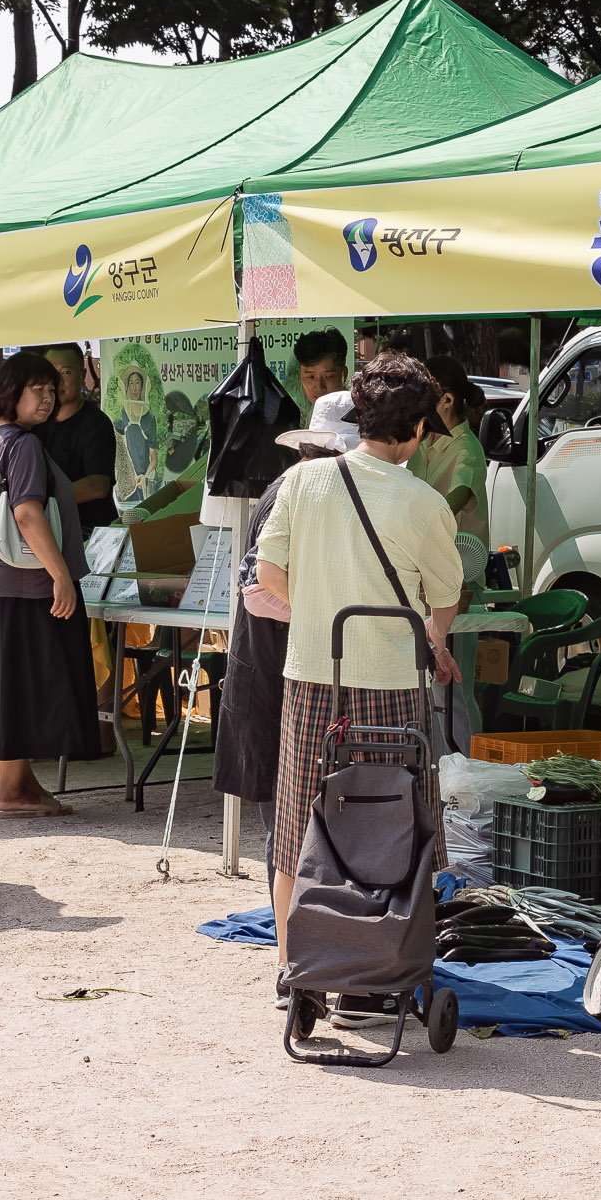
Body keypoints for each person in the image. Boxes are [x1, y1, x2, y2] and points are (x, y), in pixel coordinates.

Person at [256, 354, 462, 993]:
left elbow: (267, 575)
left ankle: (294, 969)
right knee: (390, 819)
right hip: (392, 685)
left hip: (313, 675)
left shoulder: (303, 483)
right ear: (419, 428)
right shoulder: (425, 503)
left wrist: (316, 612)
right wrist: (436, 639)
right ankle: (384, 961)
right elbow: (445, 596)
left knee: (298, 821)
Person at [215, 391, 356, 923]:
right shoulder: (294, 489)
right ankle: (297, 930)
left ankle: (308, 917)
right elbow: (261, 583)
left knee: (299, 791)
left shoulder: (313, 486)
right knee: (290, 795)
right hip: (278, 656)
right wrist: (318, 607)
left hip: (296, 654)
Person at [0, 350, 99, 816]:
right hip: (25, 586)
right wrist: (61, 575)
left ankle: (17, 785)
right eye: (35, 390)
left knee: (8, 686)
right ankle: (14, 789)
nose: (47, 398)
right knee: (32, 685)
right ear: (10, 393)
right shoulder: (22, 445)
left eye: (49, 389)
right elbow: (27, 512)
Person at [37, 344, 118, 536]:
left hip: (90, 535)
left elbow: (98, 485)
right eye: (51, 372)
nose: (58, 381)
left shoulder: (96, 423)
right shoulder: (36, 422)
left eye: (66, 372)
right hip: (47, 531)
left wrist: (41, 500)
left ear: (82, 375)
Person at [412, 355, 490, 547]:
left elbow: (454, 501)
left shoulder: (467, 449)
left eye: (424, 396)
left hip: (458, 566)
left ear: (447, 400)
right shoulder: (422, 439)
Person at [294, 329, 350, 408]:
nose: (320, 387)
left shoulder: (361, 415)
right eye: (311, 377)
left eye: (328, 376)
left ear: (344, 374)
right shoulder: (304, 414)